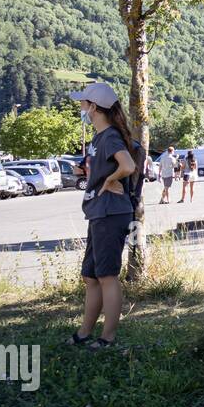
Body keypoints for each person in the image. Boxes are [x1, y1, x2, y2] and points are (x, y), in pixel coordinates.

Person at [68, 81, 136, 351]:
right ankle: (85, 332)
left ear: (93, 107)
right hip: (99, 212)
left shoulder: (109, 137)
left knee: (107, 276)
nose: (81, 108)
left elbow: (128, 165)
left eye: (83, 104)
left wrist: (111, 178)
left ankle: (107, 338)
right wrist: (92, 175)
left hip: (111, 212)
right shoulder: (99, 138)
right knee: (91, 276)